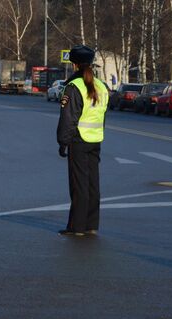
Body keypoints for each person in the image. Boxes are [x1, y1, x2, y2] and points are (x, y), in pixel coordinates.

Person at [56, 45, 109, 236]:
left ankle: (77, 227)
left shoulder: (74, 87)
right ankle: (91, 224)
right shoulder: (101, 86)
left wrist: (63, 141)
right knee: (93, 184)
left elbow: (69, 118)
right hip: (96, 140)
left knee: (79, 184)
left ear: (74, 64)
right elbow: (102, 115)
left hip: (79, 140)